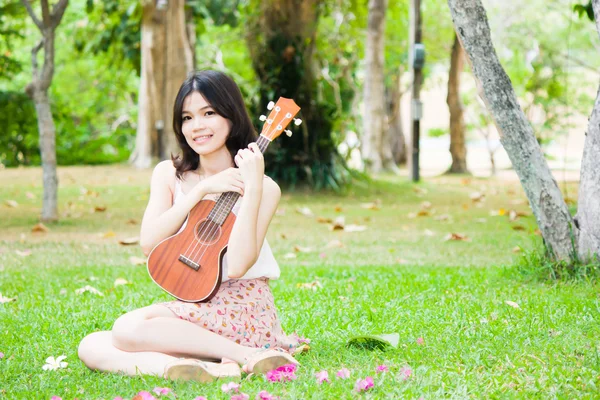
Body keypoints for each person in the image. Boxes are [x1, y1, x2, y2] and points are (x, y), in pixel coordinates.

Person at [78, 70, 301, 382]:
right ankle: (209, 368)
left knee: (126, 329)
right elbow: (149, 244)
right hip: (195, 307)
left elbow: (237, 266)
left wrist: (251, 188)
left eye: (208, 113)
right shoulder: (168, 174)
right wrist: (200, 191)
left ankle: (247, 354)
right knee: (91, 345)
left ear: (231, 117)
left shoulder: (266, 188)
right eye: (187, 117)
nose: (197, 126)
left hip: (242, 307)